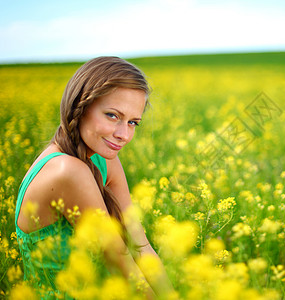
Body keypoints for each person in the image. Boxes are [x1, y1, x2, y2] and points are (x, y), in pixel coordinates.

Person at [14, 56, 170, 299]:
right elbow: (120, 263)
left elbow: (140, 246)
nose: (124, 135)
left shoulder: (103, 158)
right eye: (112, 115)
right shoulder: (66, 171)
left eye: (132, 123)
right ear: (80, 106)